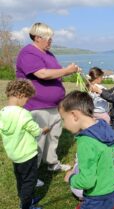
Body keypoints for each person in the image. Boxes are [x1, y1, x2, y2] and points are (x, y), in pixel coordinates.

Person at [15, 22, 79, 176]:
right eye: (48, 38)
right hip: (36, 106)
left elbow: (55, 71)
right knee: (37, 141)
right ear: (37, 38)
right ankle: (31, 174)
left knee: (53, 137)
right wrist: (66, 71)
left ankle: (52, 163)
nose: (51, 41)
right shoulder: (28, 53)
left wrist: (67, 71)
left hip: (53, 105)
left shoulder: (48, 53)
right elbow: (42, 74)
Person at [60, 91, 114, 209]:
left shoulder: (86, 142)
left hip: (98, 197)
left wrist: (71, 178)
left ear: (74, 115)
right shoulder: (104, 126)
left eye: (63, 119)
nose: (64, 125)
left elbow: (87, 181)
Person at [0, 80, 48, 209]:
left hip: (15, 155)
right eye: (27, 98)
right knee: (29, 181)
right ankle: (26, 205)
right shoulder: (23, 113)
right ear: (21, 95)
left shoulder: (2, 112)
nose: (27, 102)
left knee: (21, 179)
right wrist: (43, 130)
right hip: (27, 155)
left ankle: (26, 198)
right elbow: (35, 131)